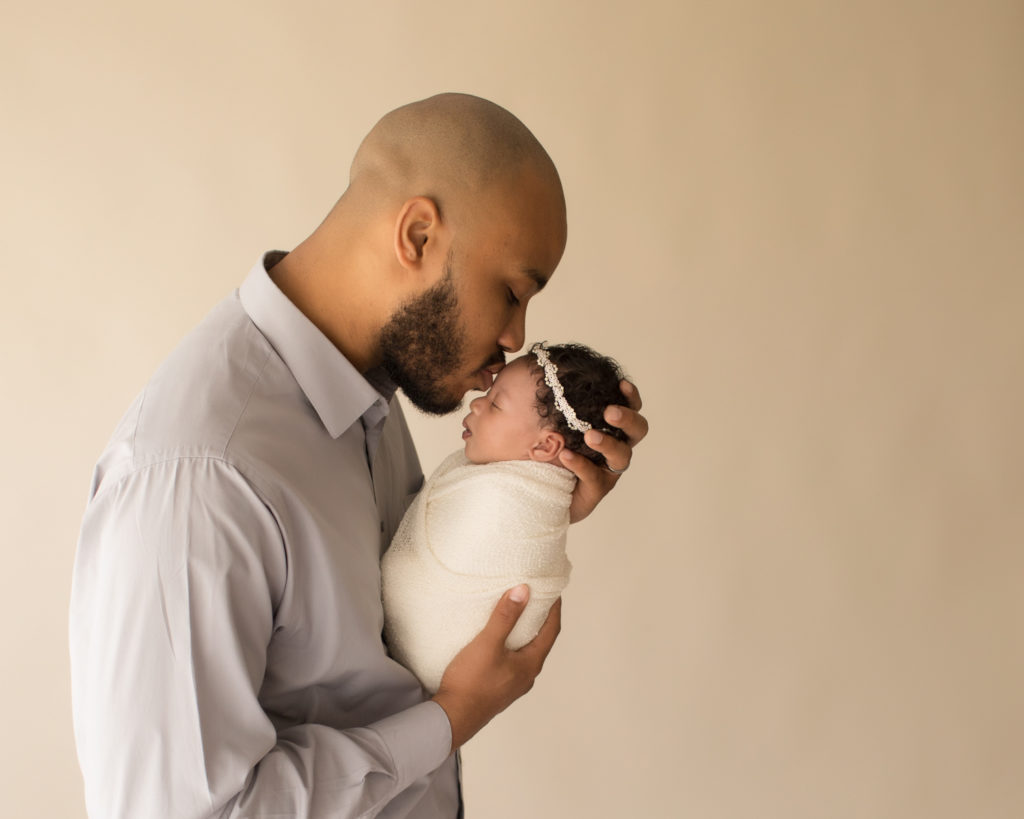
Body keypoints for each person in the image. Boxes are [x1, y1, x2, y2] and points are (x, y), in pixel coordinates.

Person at [69, 93, 648, 819]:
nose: (515, 337)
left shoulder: (362, 394)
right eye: (510, 291)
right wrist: (451, 717)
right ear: (417, 235)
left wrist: (530, 499)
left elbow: (387, 626)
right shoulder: (200, 475)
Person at [383, 342, 628, 694]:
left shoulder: (508, 500)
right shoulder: (507, 484)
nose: (477, 403)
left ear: (545, 447)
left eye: (496, 404)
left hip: (443, 662)